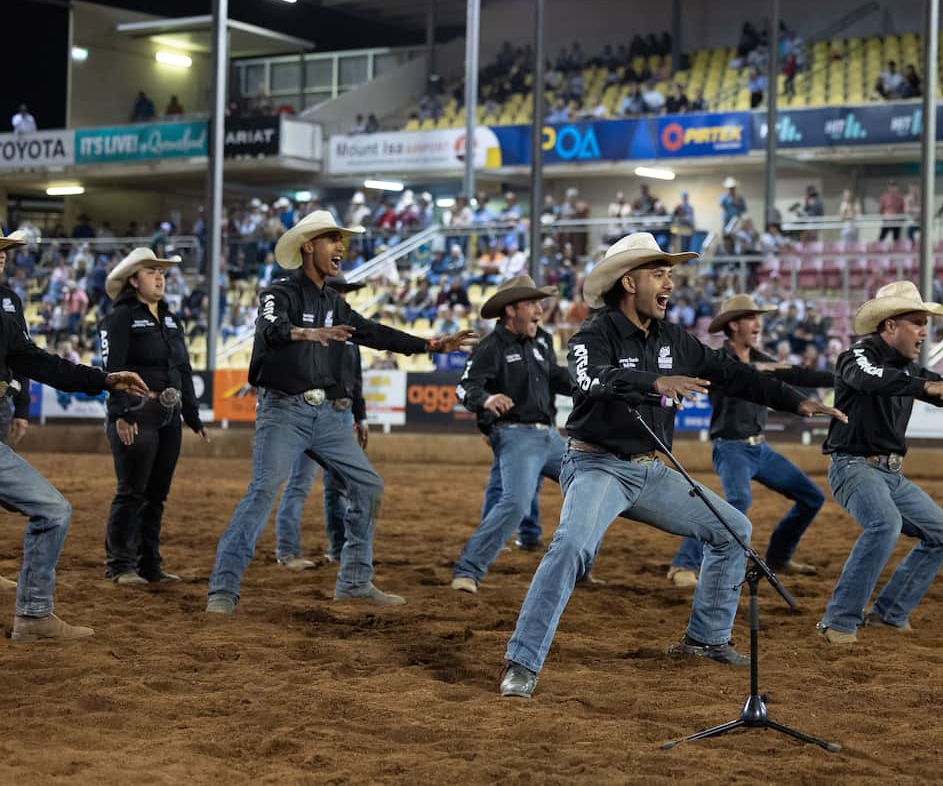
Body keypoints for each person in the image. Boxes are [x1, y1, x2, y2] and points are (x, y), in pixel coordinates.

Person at [498, 233, 845, 697]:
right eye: (659, 273)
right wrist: (654, 381)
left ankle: (706, 639)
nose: (670, 283)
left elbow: (734, 374)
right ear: (628, 282)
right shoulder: (591, 336)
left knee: (733, 530)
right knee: (571, 547)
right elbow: (589, 379)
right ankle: (522, 660)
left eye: (669, 274)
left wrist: (796, 403)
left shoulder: (674, 338)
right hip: (596, 465)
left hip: (648, 467)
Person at [205, 211, 477, 616]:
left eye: (340, 239)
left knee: (368, 486)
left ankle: (353, 581)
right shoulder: (277, 294)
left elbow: (376, 333)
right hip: (284, 410)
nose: (340, 247)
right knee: (264, 490)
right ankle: (223, 589)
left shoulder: (334, 302)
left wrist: (433, 345)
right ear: (308, 246)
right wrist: (307, 333)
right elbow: (269, 331)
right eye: (332, 239)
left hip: (327, 415)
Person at [816, 282, 943, 644]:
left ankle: (891, 613)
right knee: (885, 524)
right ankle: (839, 621)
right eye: (917, 322)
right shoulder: (857, 354)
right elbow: (871, 379)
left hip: (889, 472)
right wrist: (924, 387)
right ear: (890, 326)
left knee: (942, 534)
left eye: (926, 323)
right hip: (853, 465)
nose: (925, 331)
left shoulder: (909, 369)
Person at [1, 232, 149, 638]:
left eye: (4, 251)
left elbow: (35, 362)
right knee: (52, 511)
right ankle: (32, 615)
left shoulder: (6, 307)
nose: (2, 258)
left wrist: (103, 379)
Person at [666, 295, 833, 588]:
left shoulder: (762, 361)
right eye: (751, 319)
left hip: (760, 449)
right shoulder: (718, 362)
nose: (757, 325)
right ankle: (683, 563)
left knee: (812, 497)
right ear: (733, 325)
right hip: (731, 448)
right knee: (738, 501)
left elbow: (798, 374)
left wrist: (843, 378)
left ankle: (779, 558)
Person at [450, 276, 575, 594]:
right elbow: (465, 387)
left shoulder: (543, 341)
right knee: (516, 502)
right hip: (516, 435)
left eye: (539, 303)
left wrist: (587, 387)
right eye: (532, 304)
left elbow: (556, 376)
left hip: (550, 435)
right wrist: (487, 400)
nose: (540, 309)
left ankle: (580, 566)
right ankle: (468, 570)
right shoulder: (490, 348)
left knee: (594, 483)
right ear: (511, 310)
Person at [100, 248, 209, 586]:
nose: (160, 277)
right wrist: (120, 413)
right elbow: (112, 369)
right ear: (134, 280)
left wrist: (192, 414)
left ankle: (149, 564)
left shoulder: (171, 317)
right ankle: (121, 565)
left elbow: (183, 369)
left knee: (157, 493)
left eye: (162, 271)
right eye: (151, 271)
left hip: (169, 413)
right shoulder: (120, 317)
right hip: (137, 411)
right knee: (132, 490)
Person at [272, 278, 368, 571]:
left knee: (336, 487)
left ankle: (337, 549)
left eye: (344, 294)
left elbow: (355, 382)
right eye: (337, 293)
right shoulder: (313, 334)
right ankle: (288, 551)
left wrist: (360, 416)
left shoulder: (349, 339)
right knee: (301, 484)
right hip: (313, 411)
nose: (342, 298)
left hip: (340, 414)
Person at [0, 233, 31, 451]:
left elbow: (24, 354)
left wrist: (21, 408)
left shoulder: (11, 299)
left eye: (3, 250)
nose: (2, 256)